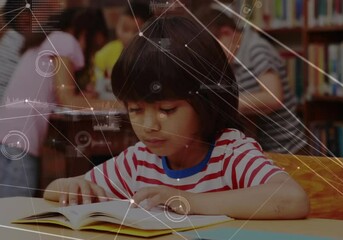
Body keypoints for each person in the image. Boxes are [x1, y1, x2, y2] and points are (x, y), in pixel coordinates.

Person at [43, 16, 309, 219]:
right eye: (135, 110)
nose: (149, 126)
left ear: (206, 102)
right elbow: (53, 192)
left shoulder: (230, 153)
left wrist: (188, 200)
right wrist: (70, 185)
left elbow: (293, 199)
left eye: (167, 110)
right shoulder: (139, 161)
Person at [0, 8, 121, 198]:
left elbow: (52, 92)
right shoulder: (65, 41)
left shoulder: (44, 41)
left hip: (7, 132)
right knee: (15, 209)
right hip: (21, 140)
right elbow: (68, 100)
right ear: (85, 33)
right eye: (94, 47)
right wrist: (120, 105)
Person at [195, 7, 307, 154]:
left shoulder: (257, 49)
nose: (213, 57)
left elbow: (273, 97)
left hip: (287, 148)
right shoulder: (232, 57)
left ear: (227, 33)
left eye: (213, 50)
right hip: (262, 148)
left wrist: (228, 103)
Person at [93, 1, 152, 100]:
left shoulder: (152, 54)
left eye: (136, 31)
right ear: (117, 25)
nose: (129, 36)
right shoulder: (105, 53)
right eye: (125, 29)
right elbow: (97, 84)